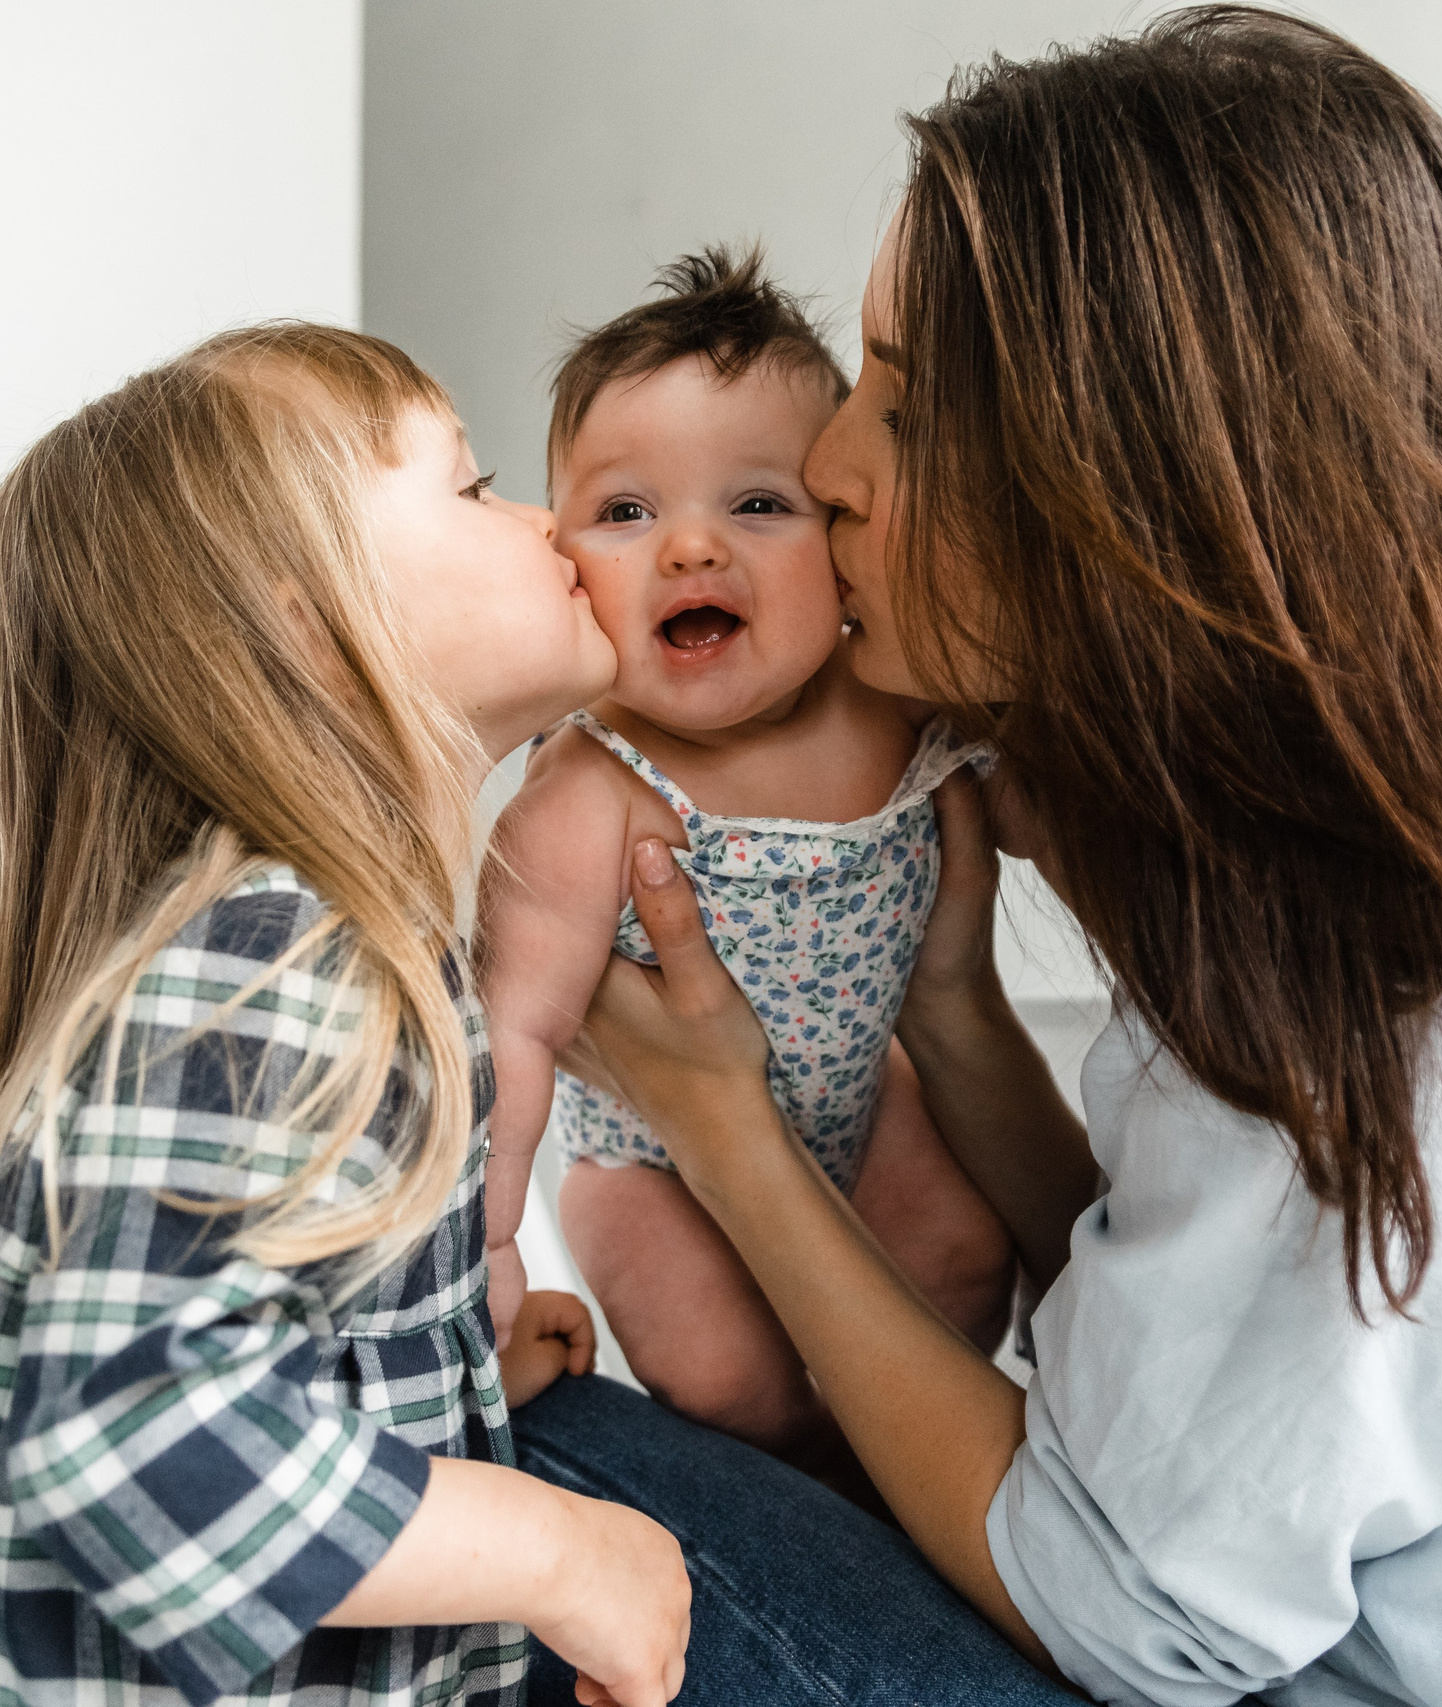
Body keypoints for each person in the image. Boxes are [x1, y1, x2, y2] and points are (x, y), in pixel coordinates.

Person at [517, 9, 1442, 1704]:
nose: (835, 469)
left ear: (1126, 490)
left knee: (522, 1466)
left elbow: (1124, 1606)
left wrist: (723, 1127)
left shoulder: (1435, 1001)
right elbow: (1214, 1369)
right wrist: (957, 1013)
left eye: (909, 407)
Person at [0, 324, 689, 1707]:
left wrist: (434, 1366)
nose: (541, 520)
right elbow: (131, 1430)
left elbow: (227, 1340)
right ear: (301, 616)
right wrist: (562, 1549)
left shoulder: (312, 943)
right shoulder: (283, 954)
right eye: (470, 483)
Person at [479, 247, 1012, 1457]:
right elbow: (511, 1029)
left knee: (968, 1269)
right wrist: (495, 1244)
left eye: (758, 504)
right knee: (724, 1380)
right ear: (563, 563)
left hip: (864, 1108)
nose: (688, 551)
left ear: (844, 547)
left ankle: (882, 1489)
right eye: (625, 512)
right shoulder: (595, 792)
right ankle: (794, 1488)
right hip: (652, 1168)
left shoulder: (891, 704)